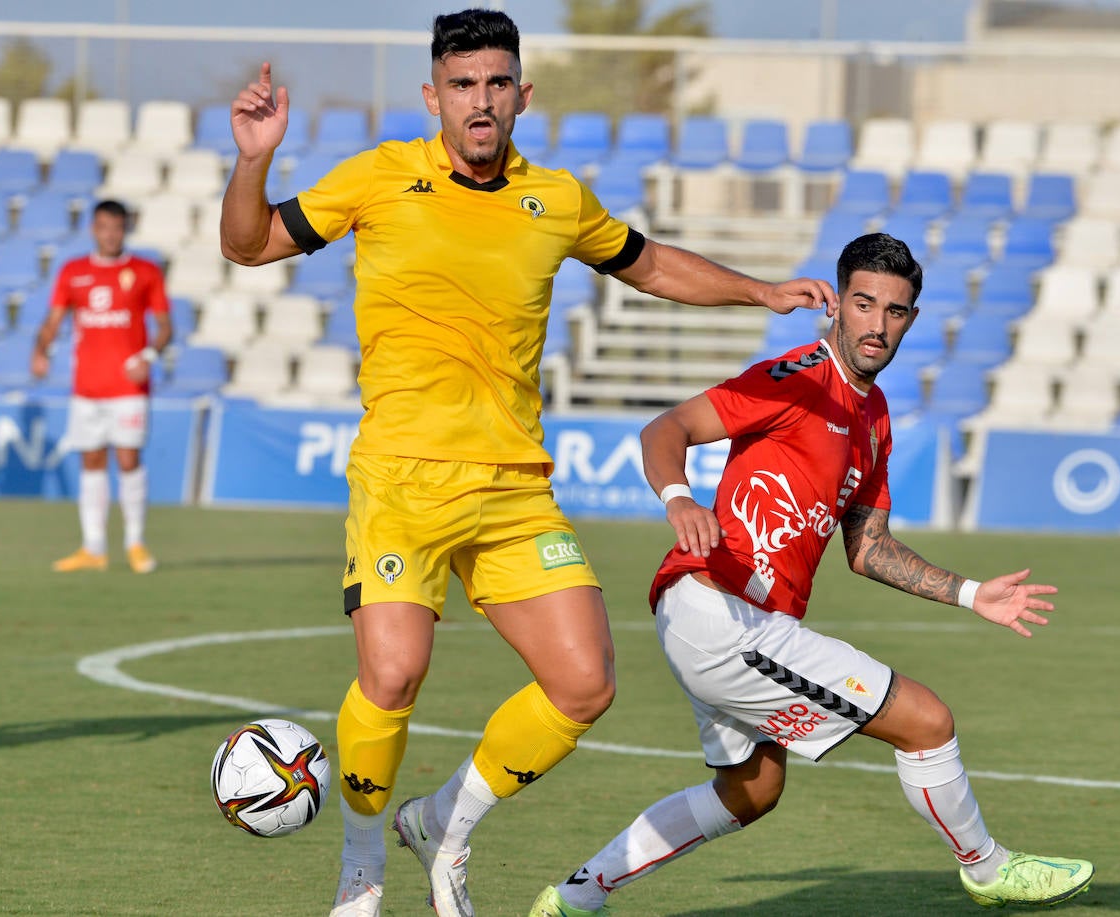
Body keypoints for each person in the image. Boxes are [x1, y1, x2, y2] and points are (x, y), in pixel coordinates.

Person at [220, 9, 837, 917]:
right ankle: (361, 862)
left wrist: (759, 289)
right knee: (392, 675)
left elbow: (650, 263)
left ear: (522, 95)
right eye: (463, 85)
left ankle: (446, 826)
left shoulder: (556, 198)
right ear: (433, 96)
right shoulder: (380, 177)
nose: (481, 100)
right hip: (401, 478)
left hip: (513, 488)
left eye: (497, 83)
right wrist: (253, 157)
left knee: (584, 683)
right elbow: (246, 244)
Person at [529, 233, 1094, 916]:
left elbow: (868, 546)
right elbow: (666, 429)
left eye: (895, 311)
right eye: (864, 303)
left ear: (910, 320)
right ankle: (987, 867)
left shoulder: (874, 416)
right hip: (719, 611)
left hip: (733, 622)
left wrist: (971, 593)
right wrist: (679, 499)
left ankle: (573, 896)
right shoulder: (795, 376)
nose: (878, 324)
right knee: (927, 721)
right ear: (837, 305)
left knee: (750, 790)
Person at [31, 199, 172, 574]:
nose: (110, 234)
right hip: (87, 388)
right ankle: (93, 547)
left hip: (128, 387)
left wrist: (149, 358)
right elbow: (54, 319)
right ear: (93, 229)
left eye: (117, 227)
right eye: (103, 227)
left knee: (128, 460)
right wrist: (40, 350)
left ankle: (135, 543)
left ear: (125, 229)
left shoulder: (145, 272)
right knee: (91, 462)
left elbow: (165, 328)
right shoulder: (73, 271)